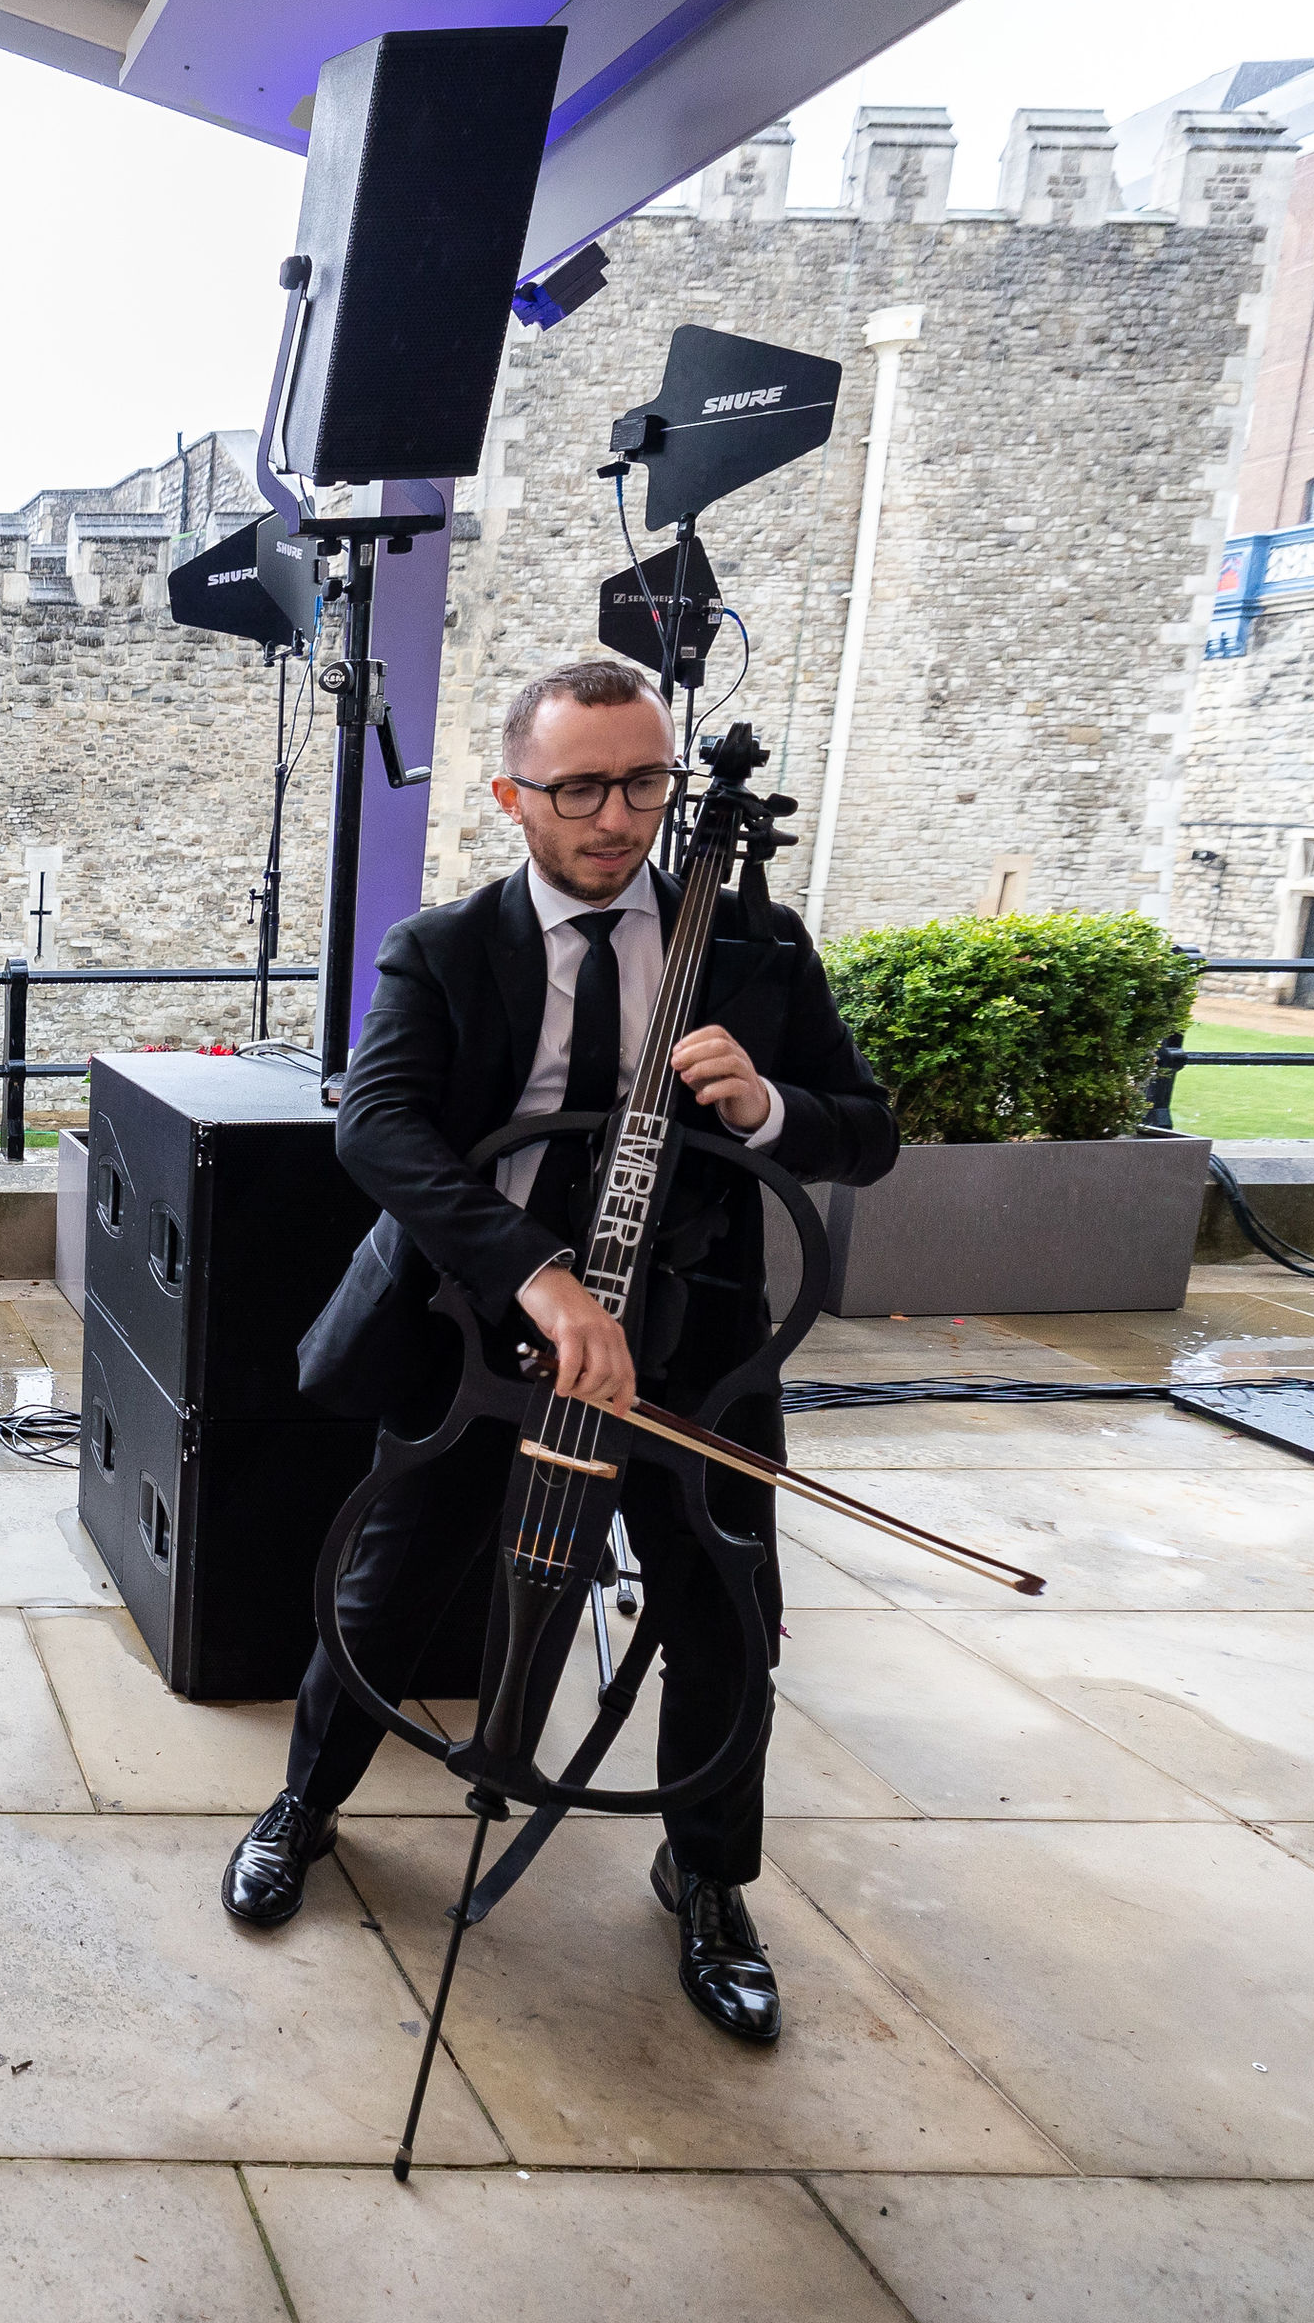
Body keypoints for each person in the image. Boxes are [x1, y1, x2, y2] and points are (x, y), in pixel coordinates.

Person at [222, 656, 896, 2044]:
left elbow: (866, 1132)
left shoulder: (756, 952)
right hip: (485, 1332)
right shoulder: (446, 949)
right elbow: (382, 1128)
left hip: (690, 1347)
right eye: (580, 786)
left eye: (644, 781)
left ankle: (706, 1876)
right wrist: (540, 1279)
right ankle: (307, 1808)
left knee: (721, 1619)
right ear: (511, 794)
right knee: (387, 1588)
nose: (619, 816)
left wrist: (771, 1106)